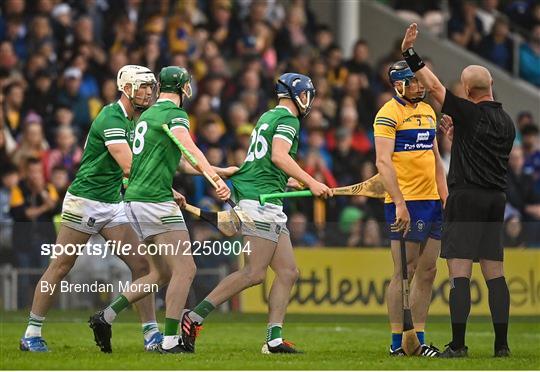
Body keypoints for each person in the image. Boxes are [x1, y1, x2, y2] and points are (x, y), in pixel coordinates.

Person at [180, 73, 333, 354]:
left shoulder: (267, 116)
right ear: (296, 94)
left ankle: (273, 339)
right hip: (258, 203)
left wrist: (286, 180)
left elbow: (263, 162)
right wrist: (312, 181)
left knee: (288, 272)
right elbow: (278, 156)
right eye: (306, 94)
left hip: (266, 199)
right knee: (253, 273)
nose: (308, 100)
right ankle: (193, 317)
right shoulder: (288, 119)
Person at [89, 66, 233, 354]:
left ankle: (105, 316)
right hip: (155, 201)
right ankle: (169, 341)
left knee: (159, 274)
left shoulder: (149, 113)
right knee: (186, 269)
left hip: (135, 201)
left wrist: (218, 170)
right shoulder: (175, 114)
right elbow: (191, 150)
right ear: (184, 88)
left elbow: (172, 161)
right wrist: (215, 180)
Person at [20, 65, 161, 352]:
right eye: (143, 86)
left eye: (150, 86)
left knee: (143, 266)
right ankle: (31, 333)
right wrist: (164, 189)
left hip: (111, 203)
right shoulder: (111, 117)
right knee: (61, 266)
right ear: (127, 88)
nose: (148, 92)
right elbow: (129, 165)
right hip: (84, 201)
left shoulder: (136, 120)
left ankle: (151, 334)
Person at [401, 23, 515, 358]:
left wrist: (409, 53)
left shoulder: (466, 111)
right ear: (491, 85)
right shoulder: (507, 122)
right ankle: (502, 346)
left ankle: (459, 344)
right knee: (496, 274)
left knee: (460, 273)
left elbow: (433, 85)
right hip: (496, 199)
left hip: (466, 199)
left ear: (466, 89)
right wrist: (459, 139)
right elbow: (484, 148)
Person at [374, 61, 447, 357]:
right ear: (399, 85)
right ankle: (396, 343)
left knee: (428, 271)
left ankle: (417, 339)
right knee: (404, 271)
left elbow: (435, 158)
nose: (421, 86)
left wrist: (445, 196)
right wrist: (400, 203)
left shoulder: (428, 111)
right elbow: (382, 162)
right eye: (414, 82)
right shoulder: (387, 114)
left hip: (432, 202)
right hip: (405, 202)